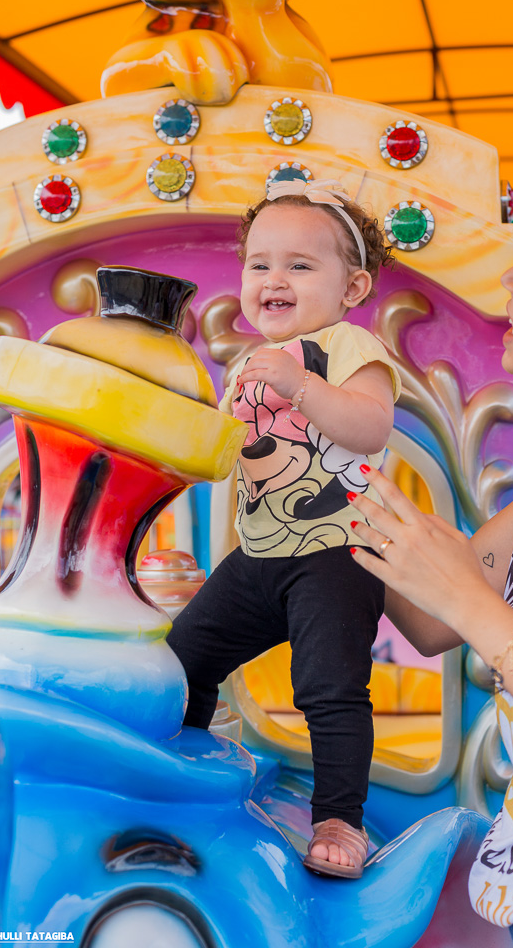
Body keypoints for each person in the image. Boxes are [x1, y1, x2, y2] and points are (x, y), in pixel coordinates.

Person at [349, 158, 513, 947]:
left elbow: (468, 606)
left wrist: (473, 606)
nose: (508, 282)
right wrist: (319, 482)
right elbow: (434, 619)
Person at [167, 178, 401, 878]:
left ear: (352, 287)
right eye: (259, 263)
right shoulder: (247, 363)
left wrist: (300, 386)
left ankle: (339, 819)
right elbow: (225, 452)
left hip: (335, 553)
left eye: (300, 265)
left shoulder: (348, 346)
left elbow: (370, 426)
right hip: (259, 555)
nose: (274, 279)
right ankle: (180, 769)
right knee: (182, 658)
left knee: (329, 688)